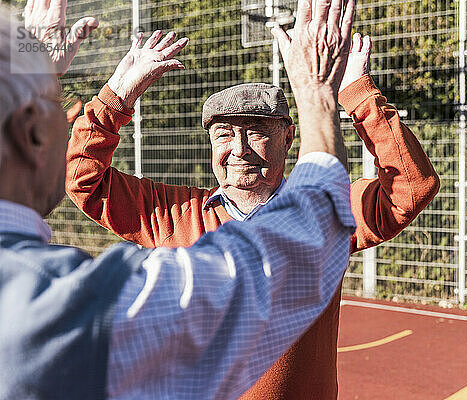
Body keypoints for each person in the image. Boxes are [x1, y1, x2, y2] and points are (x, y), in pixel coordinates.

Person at [66, 6, 440, 400]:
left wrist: (355, 91)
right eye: (224, 134)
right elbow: (82, 180)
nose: (239, 149)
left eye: (257, 131)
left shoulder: (324, 211)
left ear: (288, 138)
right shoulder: (174, 214)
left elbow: (412, 187)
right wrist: (115, 98)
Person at [0, 0, 359, 398]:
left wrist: (37, 71)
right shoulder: (68, 308)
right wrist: (317, 94)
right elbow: (305, 241)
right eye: (61, 105)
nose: (72, 118)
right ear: (31, 133)